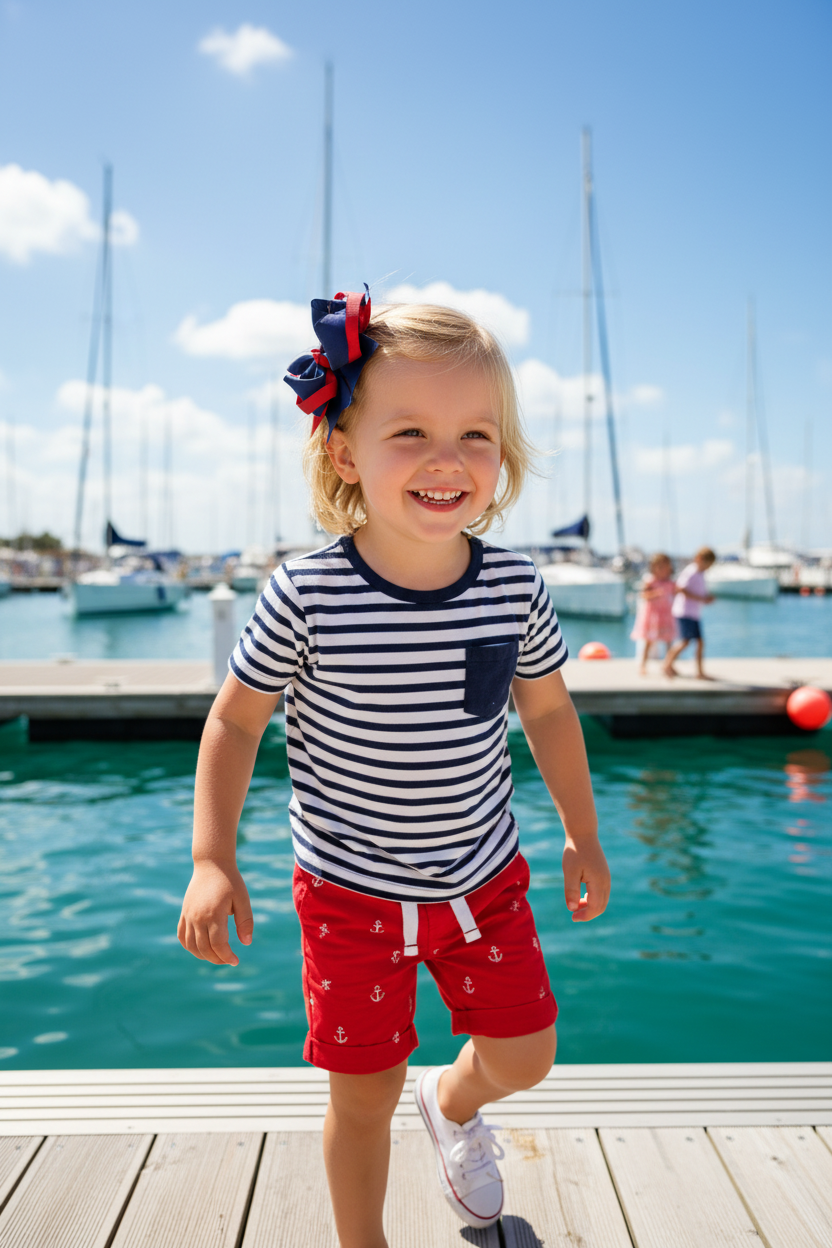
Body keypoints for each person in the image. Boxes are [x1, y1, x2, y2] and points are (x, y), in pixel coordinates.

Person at [178, 288, 610, 1248]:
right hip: (349, 894)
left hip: (482, 881)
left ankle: (454, 1105)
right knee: (362, 1091)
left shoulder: (514, 586)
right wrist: (214, 857)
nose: (447, 459)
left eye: (475, 435)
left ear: (503, 457)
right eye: (408, 431)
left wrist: (584, 834)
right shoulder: (307, 592)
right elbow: (235, 723)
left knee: (527, 1053)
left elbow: (546, 709)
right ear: (344, 452)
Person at [663, 546, 716, 678]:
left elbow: (699, 590)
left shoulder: (700, 573)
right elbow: (680, 588)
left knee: (699, 642)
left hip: (694, 613)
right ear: (699, 559)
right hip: (684, 612)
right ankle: (667, 665)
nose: (707, 568)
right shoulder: (691, 571)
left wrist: (706, 598)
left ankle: (699, 672)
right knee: (685, 641)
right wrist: (701, 599)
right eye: (707, 564)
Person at [630, 552, 677, 674]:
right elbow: (643, 595)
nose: (663, 570)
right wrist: (656, 593)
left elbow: (677, 593)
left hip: (666, 615)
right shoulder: (650, 581)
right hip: (653, 616)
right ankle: (643, 665)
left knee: (668, 641)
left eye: (665, 567)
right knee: (649, 641)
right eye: (660, 567)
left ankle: (668, 665)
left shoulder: (671, 582)